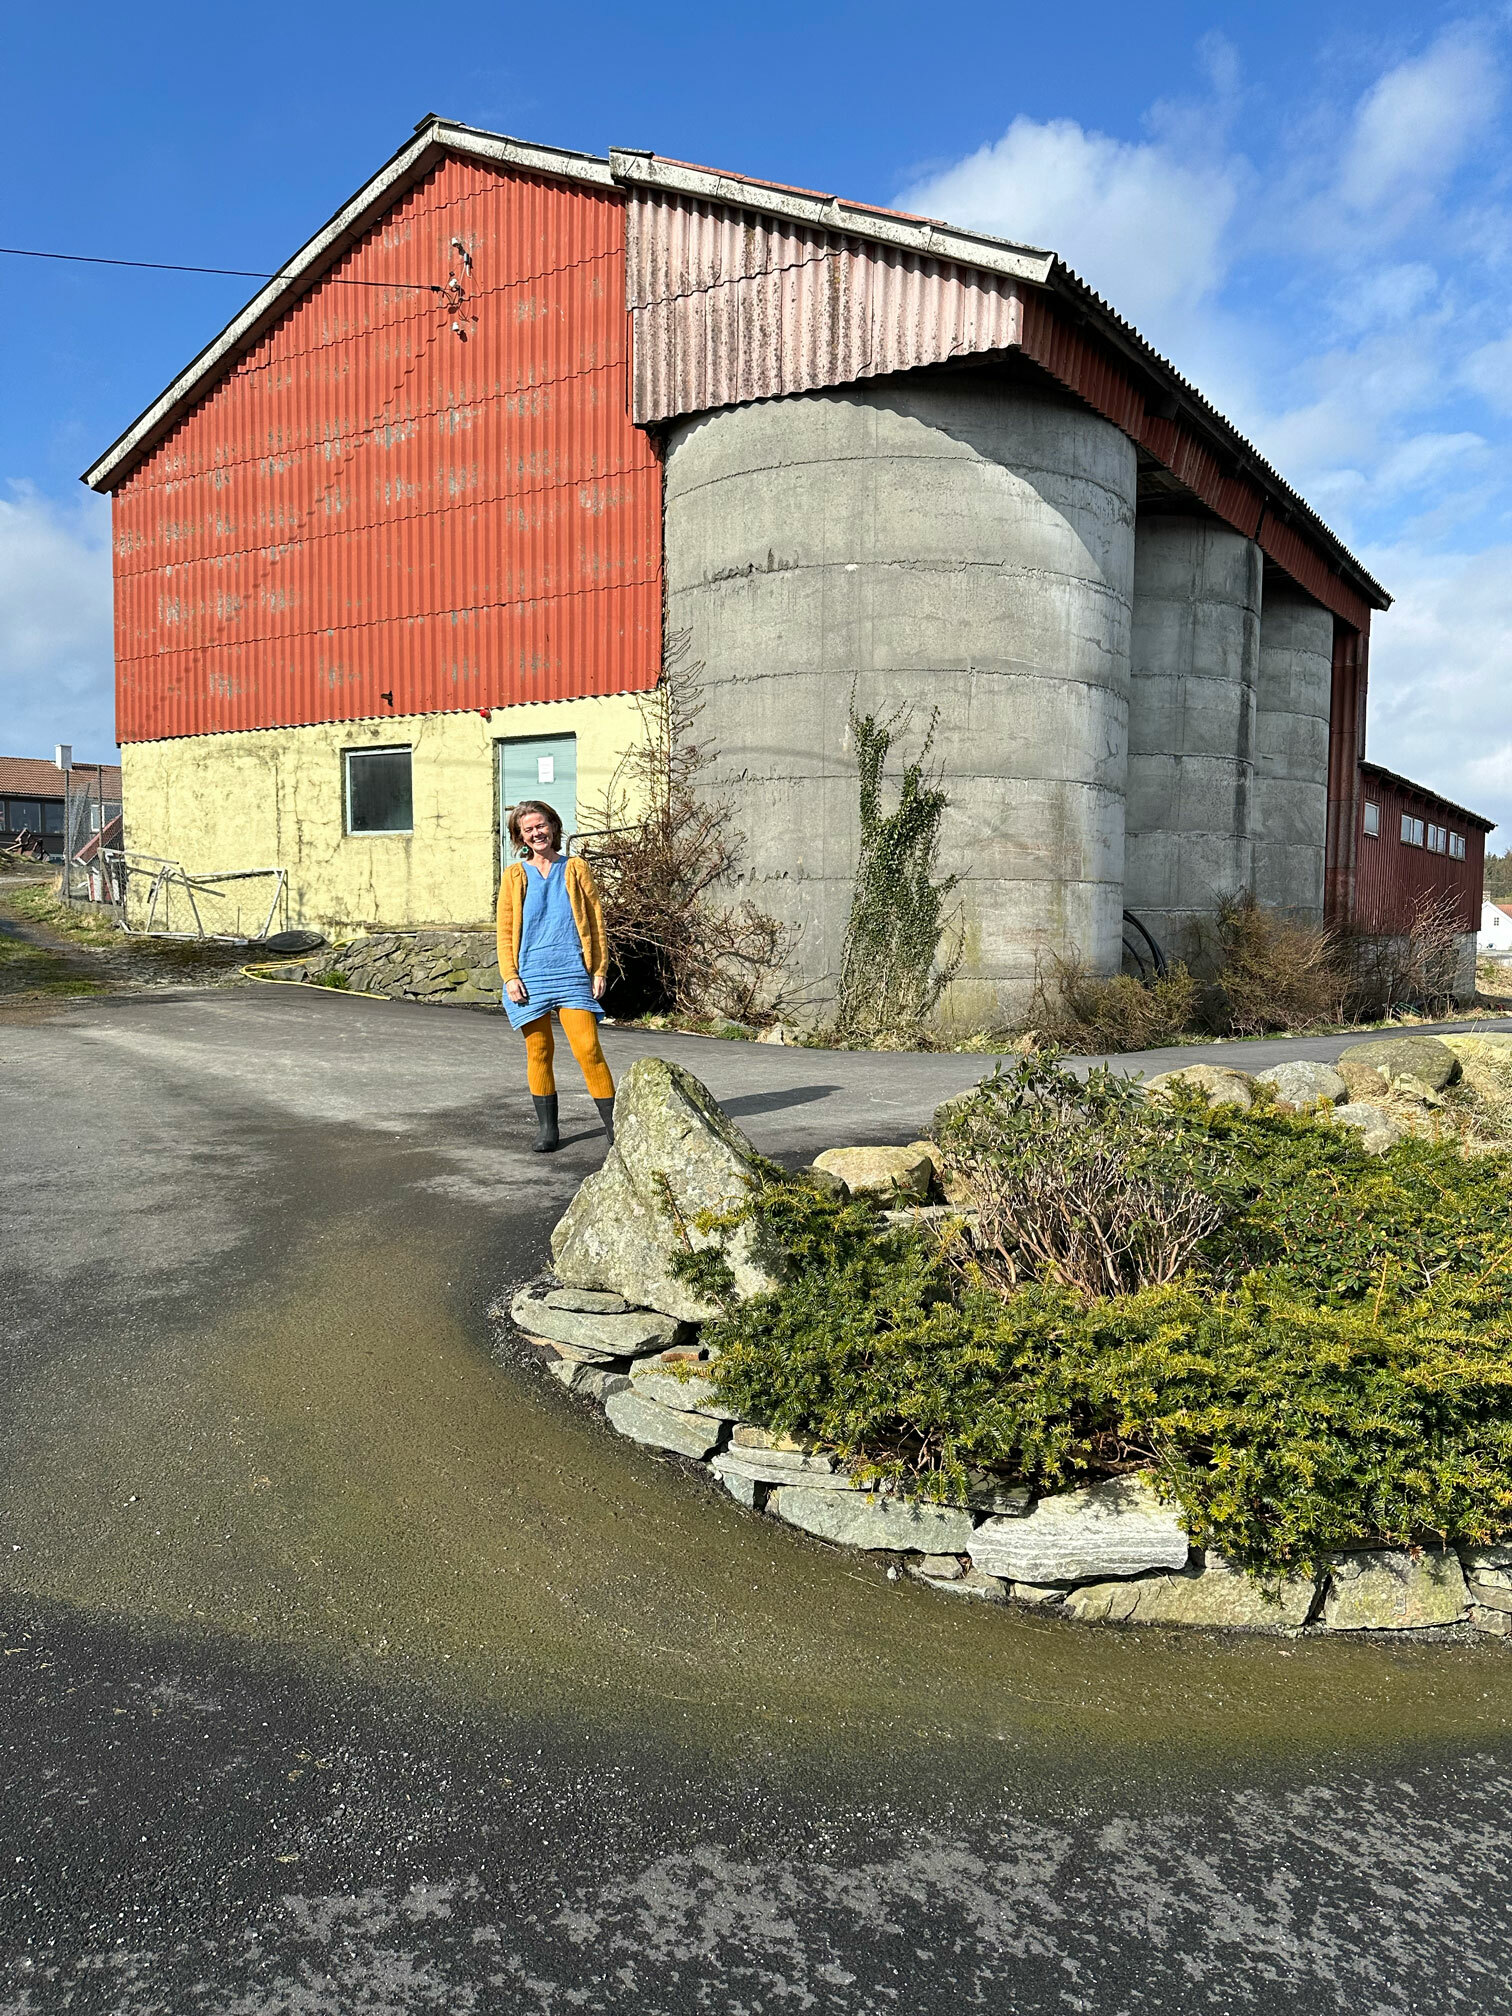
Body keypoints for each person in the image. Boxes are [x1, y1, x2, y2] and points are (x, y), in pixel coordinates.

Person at [497, 799, 616, 1153]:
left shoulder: (575, 868)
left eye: (541, 825)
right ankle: (548, 1129)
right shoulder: (514, 876)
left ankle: (616, 1127)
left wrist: (599, 969)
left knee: (588, 1049)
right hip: (529, 976)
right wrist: (509, 976)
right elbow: (504, 932)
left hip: (572, 972)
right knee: (539, 1051)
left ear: (553, 826)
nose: (537, 833)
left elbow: (595, 922)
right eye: (528, 829)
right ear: (520, 837)